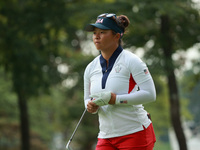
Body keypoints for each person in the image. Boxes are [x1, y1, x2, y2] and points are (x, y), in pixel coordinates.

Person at [84, 13, 156, 150]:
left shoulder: (132, 61)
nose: (96, 36)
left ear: (117, 36)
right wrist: (90, 106)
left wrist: (116, 99)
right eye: (94, 33)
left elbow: (150, 94)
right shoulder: (90, 68)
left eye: (102, 32)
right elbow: (87, 98)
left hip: (135, 133)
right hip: (105, 136)